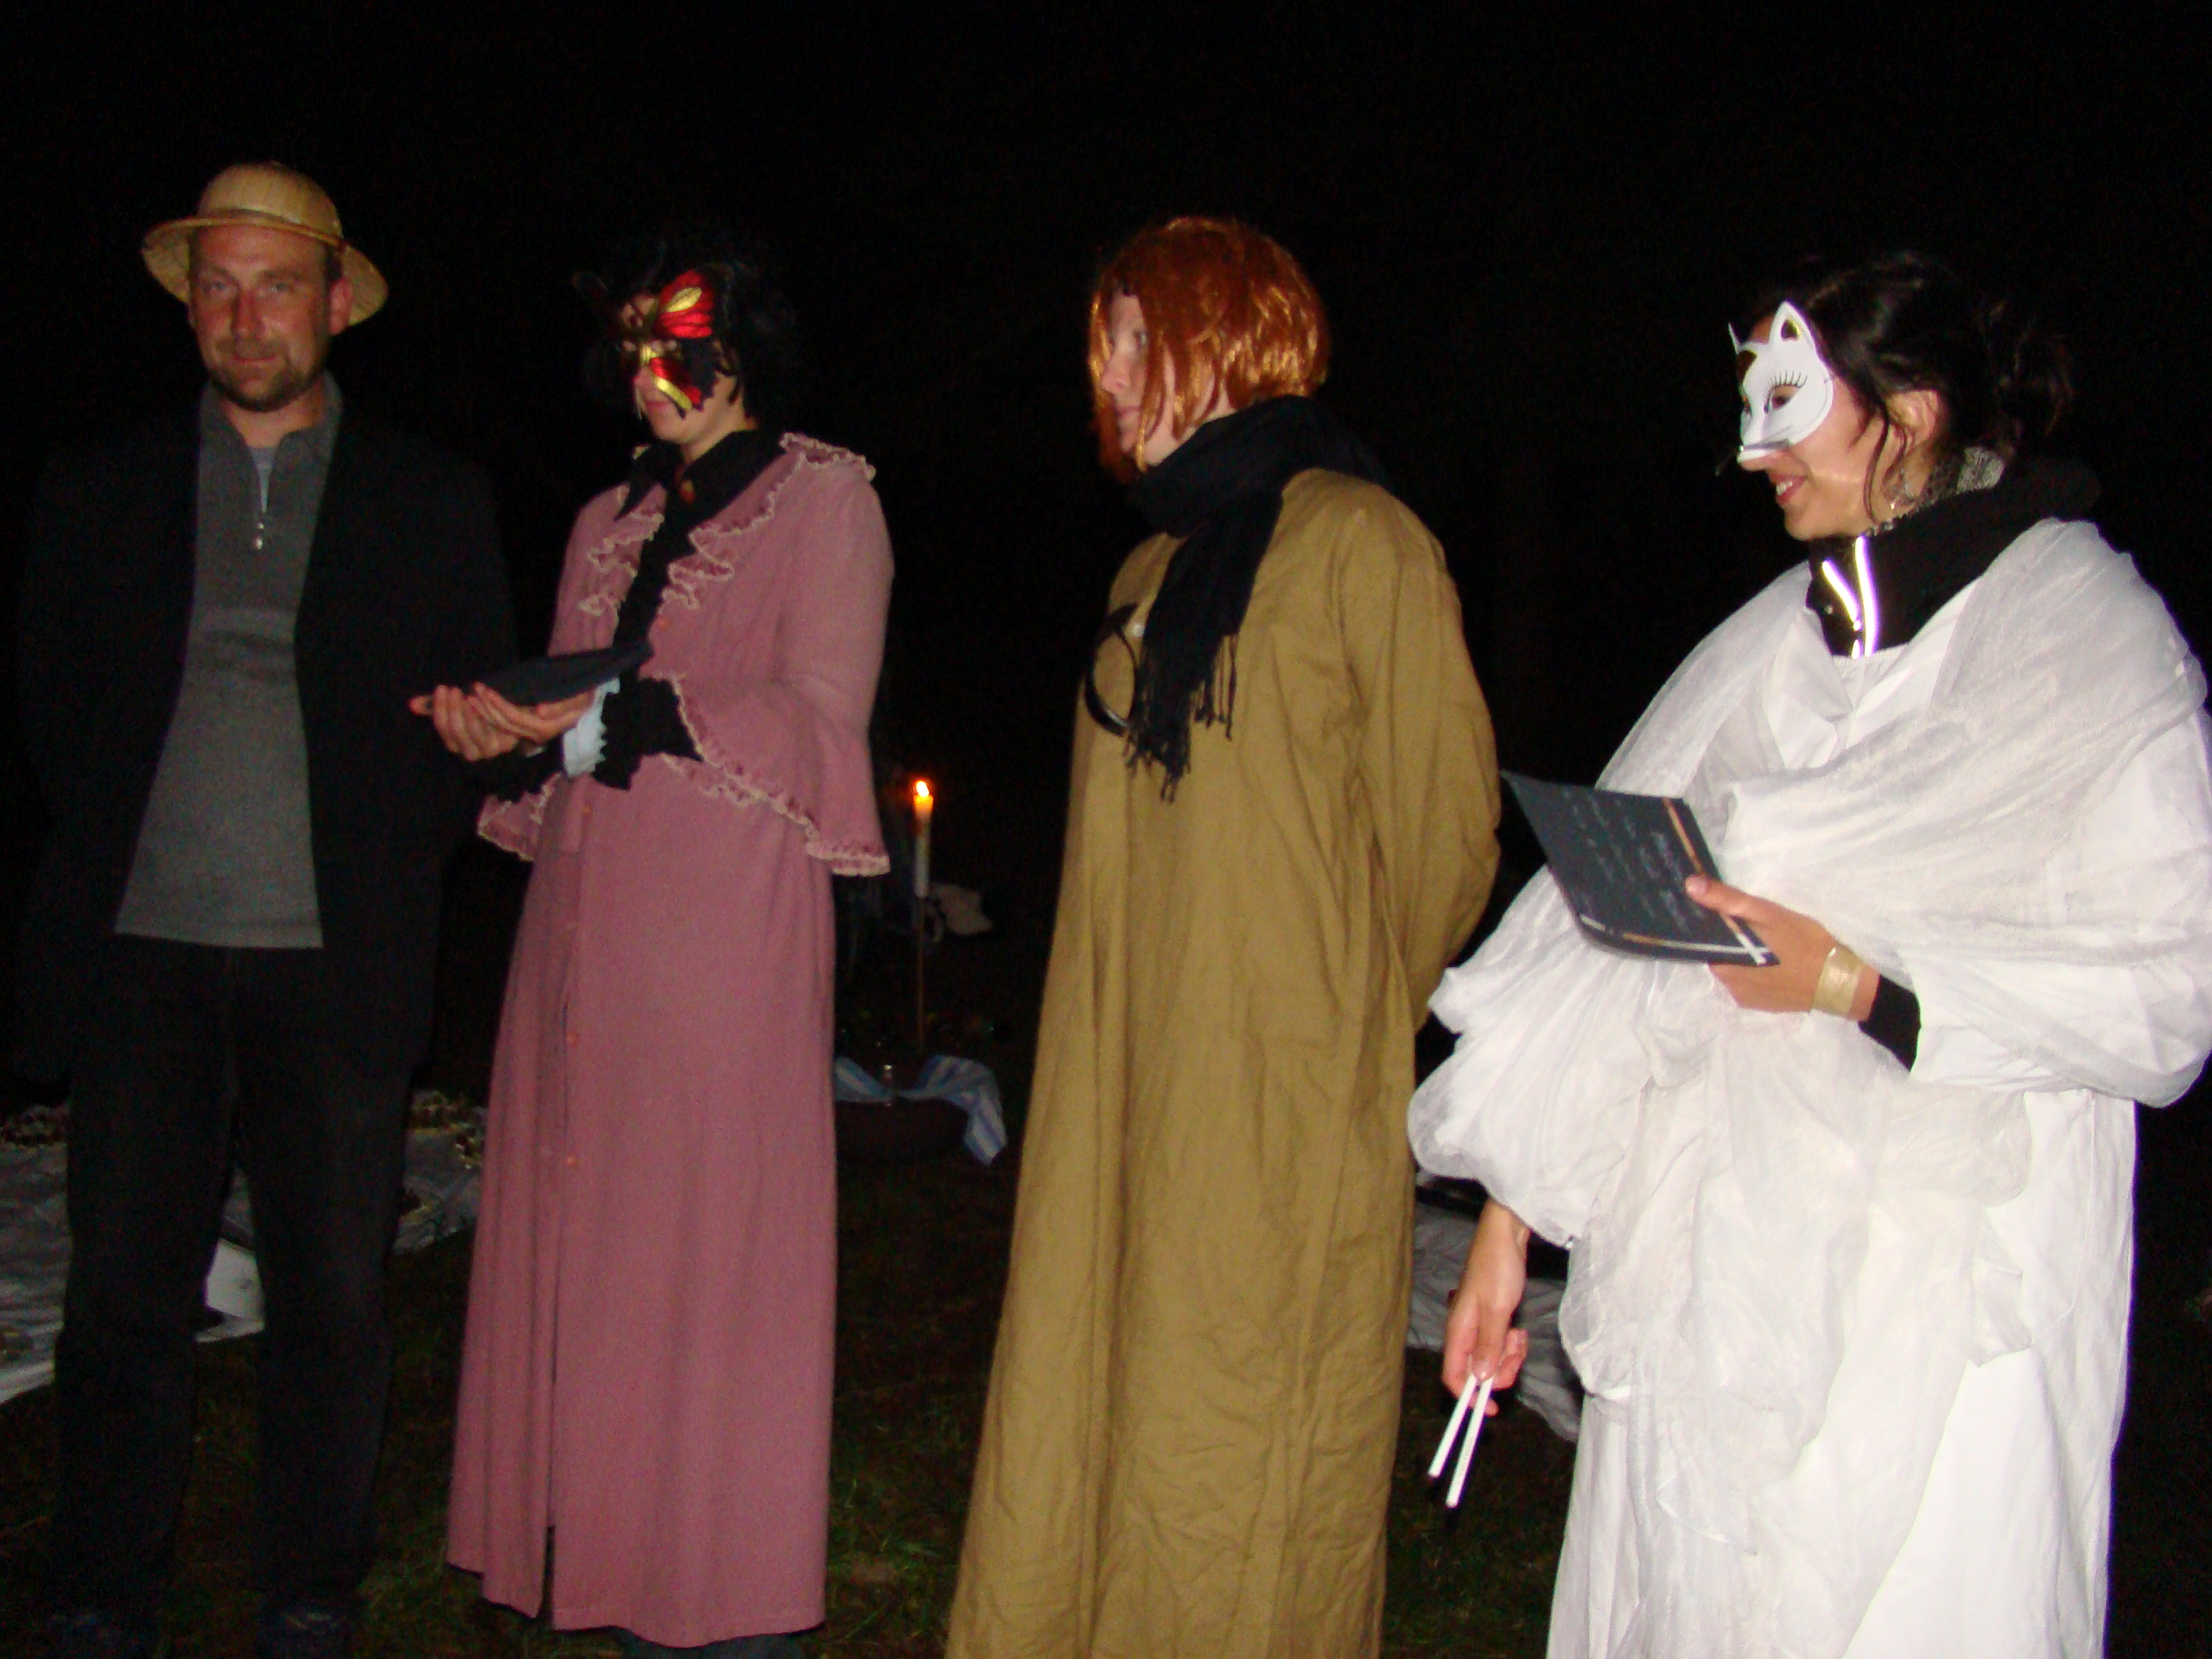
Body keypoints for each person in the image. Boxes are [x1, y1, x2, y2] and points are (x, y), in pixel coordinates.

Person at [1414, 251, 2212, 1658]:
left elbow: (2168, 986)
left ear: (1910, 413)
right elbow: (1612, 938)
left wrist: (1856, 985)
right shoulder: (1781, 642)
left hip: (1946, 1287)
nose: (1755, 452)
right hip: (1714, 1265)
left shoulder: (2093, 648)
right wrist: (1507, 1227)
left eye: (1789, 406)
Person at [947, 217, 1501, 1659]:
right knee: (1093, 1408)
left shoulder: (1364, 542)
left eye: (1141, 340)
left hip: (1276, 1106)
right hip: (1119, 1088)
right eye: (1106, 349)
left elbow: (1447, 838)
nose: (1112, 378)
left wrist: (1324, 1020)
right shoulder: (1146, 572)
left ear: (1232, 337)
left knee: (1246, 1453)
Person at [18, 163, 517, 1658]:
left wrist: (399, 845)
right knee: (122, 1299)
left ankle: (310, 1589)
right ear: (191, 306)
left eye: (277, 286)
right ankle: (102, 1591)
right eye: (219, 288)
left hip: (336, 959)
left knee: (333, 1302)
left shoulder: (429, 498)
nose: (247, 319)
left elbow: (472, 717)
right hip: (142, 956)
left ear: (336, 303)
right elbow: (53, 711)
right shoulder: (97, 487)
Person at [430, 217, 892, 1658]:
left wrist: (635, 715)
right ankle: (613, 1561)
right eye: (631, 349)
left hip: (725, 937)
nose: (651, 375)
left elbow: (824, 722)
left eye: (680, 344)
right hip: (584, 931)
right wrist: (506, 734)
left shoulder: (825, 500)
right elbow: (571, 725)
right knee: (595, 1249)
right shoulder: (602, 521)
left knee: (708, 1249)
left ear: (744, 341)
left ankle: (721, 1599)